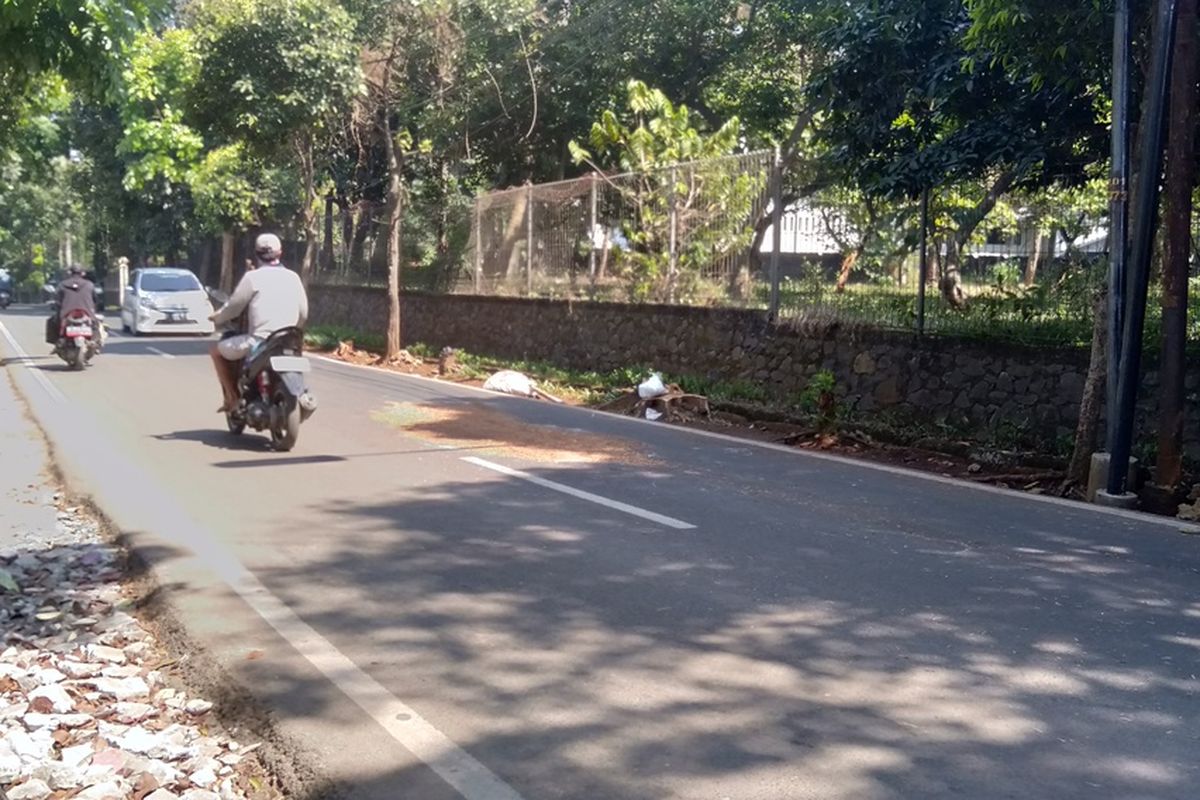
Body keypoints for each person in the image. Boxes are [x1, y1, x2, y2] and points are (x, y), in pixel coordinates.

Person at [209, 233, 308, 413]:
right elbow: (303, 313)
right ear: (280, 253)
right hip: (289, 341)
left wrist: (217, 317)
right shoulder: (293, 277)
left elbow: (233, 308)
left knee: (216, 352)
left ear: (256, 253)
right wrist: (295, 331)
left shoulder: (252, 277)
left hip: (259, 342)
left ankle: (232, 398)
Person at [47, 265, 98, 347]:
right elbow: (95, 299)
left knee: (52, 322)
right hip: (87, 313)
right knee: (96, 324)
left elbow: (57, 299)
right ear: (83, 273)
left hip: (65, 314)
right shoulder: (89, 284)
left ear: (70, 273)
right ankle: (95, 342)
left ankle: (57, 342)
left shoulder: (62, 285)